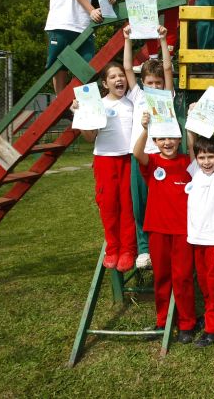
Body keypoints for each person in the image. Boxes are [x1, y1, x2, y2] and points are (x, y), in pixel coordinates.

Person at [133, 109, 198, 343]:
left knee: (182, 277)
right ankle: (162, 320)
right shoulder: (152, 162)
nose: (168, 142)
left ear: (179, 139)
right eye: (162, 138)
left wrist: (189, 128)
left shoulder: (187, 162)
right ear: (156, 141)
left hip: (183, 231)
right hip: (158, 230)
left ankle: (187, 322)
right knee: (161, 276)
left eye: (172, 137)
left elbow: (193, 150)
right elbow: (136, 152)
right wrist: (144, 128)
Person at [73, 62, 135, 272]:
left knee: (128, 205)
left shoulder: (133, 103)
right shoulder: (97, 104)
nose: (119, 80)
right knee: (108, 205)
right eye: (113, 77)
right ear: (105, 83)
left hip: (128, 159)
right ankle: (113, 248)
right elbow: (90, 137)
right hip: (105, 160)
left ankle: (127, 249)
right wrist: (79, 115)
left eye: (121, 76)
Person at [123, 24, 173, 269]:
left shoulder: (168, 95)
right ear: (143, 83)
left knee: (162, 202)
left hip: (163, 157)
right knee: (140, 202)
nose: (154, 86)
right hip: (141, 155)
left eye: (158, 83)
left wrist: (163, 40)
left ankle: (162, 245)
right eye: (150, 82)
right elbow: (126, 68)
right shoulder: (138, 96)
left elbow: (166, 67)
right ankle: (144, 249)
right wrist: (127, 39)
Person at [184, 129, 214, 348]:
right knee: (203, 282)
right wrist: (191, 126)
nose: (206, 161)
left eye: (211, 156)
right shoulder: (195, 171)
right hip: (196, 239)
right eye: (202, 157)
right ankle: (212, 314)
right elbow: (192, 145)